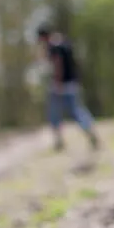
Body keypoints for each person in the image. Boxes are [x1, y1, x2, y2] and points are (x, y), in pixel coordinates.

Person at [36, 24, 100, 152]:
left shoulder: (53, 46)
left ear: (43, 37)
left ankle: (59, 141)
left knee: (54, 113)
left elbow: (58, 64)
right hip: (72, 83)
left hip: (61, 84)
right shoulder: (64, 41)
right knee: (77, 111)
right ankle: (91, 135)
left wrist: (58, 83)